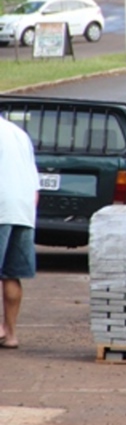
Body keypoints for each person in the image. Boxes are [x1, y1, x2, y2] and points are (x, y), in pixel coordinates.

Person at [0, 114, 40, 348]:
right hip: (23, 207)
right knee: (10, 273)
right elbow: (34, 180)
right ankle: (11, 334)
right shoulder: (18, 133)